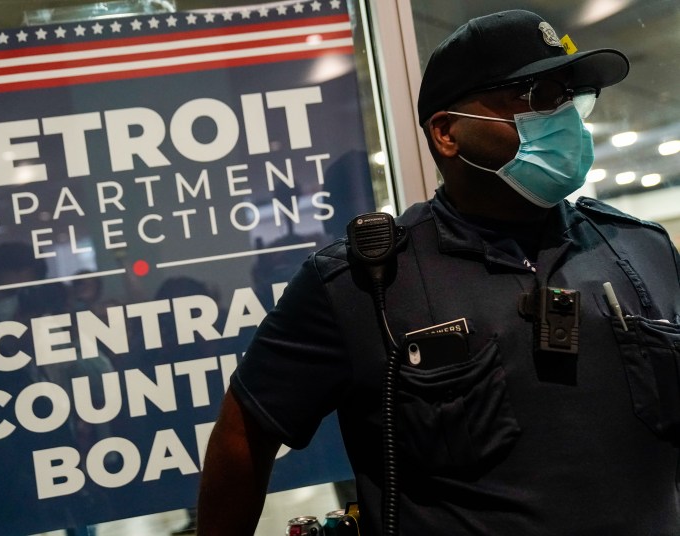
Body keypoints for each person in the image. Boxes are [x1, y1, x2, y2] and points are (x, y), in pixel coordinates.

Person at [197, 9, 680, 536]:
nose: (564, 116)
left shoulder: (642, 249)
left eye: (569, 95)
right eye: (534, 96)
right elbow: (244, 434)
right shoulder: (364, 283)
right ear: (447, 133)